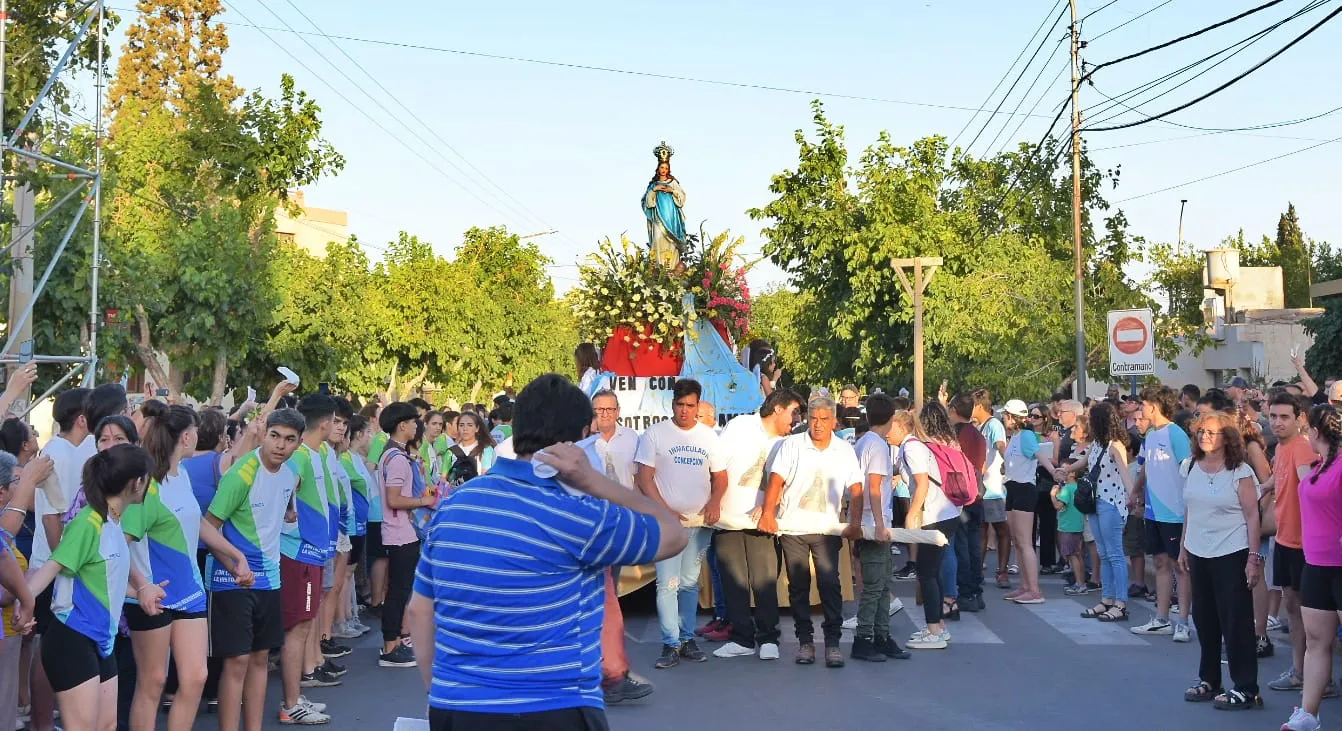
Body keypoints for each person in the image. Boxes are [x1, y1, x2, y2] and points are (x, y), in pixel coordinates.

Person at [404, 373, 686, 729]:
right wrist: (595, 483)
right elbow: (674, 534)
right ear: (581, 438)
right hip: (556, 705)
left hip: (457, 705)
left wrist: (440, 694)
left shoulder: (456, 506)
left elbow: (419, 611)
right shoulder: (581, 516)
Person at [125, 403, 250, 731]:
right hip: (154, 594)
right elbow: (119, 543)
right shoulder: (145, 484)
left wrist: (234, 554)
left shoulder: (181, 476)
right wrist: (140, 585)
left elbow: (196, 525)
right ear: (186, 436)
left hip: (190, 591)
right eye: (195, 431)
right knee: (153, 683)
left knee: (196, 677)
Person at [26, 445, 157, 731]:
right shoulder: (89, 522)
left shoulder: (112, 520)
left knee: (107, 725)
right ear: (137, 483)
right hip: (72, 637)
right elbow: (51, 567)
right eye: (148, 478)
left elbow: (102, 583)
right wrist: (25, 606)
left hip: (101, 639)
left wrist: (142, 592)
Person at [205, 409, 306, 731]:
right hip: (231, 581)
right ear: (264, 434)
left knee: (261, 658)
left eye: (289, 439)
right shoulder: (241, 474)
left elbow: (277, 513)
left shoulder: (290, 475)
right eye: (275, 435)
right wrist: (235, 567)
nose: (280, 445)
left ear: (298, 444)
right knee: (237, 662)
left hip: (269, 578)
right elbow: (207, 529)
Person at [758, 395, 859, 668]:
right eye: (813, 419)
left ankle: (833, 643)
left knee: (829, 584)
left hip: (828, 530)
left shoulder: (844, 450)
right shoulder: (791, 445)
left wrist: (855, 521)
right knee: (798, 586)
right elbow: (776, 481)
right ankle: (805, 642)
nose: (818, 425)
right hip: (793, 529)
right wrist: (768, 513)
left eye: (824, 419)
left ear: (834, 422)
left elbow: (857, 487)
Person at [635, 379, 726, 669]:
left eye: (690, 405)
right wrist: (665, 511)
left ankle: (687, 639)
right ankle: (670, 643)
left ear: (698, 406)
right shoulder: (655, 435)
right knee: (667, 584)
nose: (685, 411)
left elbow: (721, 477)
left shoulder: (709, 437)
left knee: (689, 584)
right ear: (672, 404)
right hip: (667, 526)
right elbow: (643, 478)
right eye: (680, 405)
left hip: (699, 525)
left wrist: (714, 502)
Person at [704, 390, 801, 662]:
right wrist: (714, 502)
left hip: (763, 522)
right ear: (778, 409)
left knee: (765, 581)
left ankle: (769, 638)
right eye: (793, 412)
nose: (795, 420)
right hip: (728, 518)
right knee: (734, 582)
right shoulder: (739, 426)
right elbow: (717, 466)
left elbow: (787, 480)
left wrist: (769, 506)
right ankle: (741, 638)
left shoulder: (788, 442)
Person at [1178, 410, 1262, 710]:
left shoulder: (1240, 471)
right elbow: (1190, 509)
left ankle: (1245, 687)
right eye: (1201, 431)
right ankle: (1210, 679)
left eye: (1211, 432)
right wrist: (1184, 547)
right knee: (1205, 618)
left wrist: (1253, 557)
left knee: (1236, 622)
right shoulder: (1189, 466)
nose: (1204, 437)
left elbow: (1253, 516)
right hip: (1198, 550)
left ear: (1227, 438)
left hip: (1232, 551)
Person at [579, 391, 652, 704]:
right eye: (599, 410)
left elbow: (638, 478)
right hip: (591, 526)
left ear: (618, 411)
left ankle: (603, 664)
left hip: (620, 519)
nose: (604, 415)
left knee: (612, 590)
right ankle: (603, 668)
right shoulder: (581, 446)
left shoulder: (632, 439)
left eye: (609, 409)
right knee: (601, 600)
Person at [30, 387, 93, 731]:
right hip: (53, 566)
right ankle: (42, 722)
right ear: (83, 419)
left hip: (61, 564)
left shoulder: (71, 450)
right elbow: (53, 516)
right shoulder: (56, 453)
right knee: (48, 648)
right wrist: (66, 565)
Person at [278, 395, 341, 720]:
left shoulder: (316, 454)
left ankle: (296, 697)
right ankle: (290, 705)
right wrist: (288, 516)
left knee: (304, 624)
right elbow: (280, 495)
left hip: (314, 553)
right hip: (298, 554)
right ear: (326, 422)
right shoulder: (299, 456)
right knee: (298, 628)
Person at [1280, 405, 1342, 731]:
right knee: (1317, 642)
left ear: (1315, 432)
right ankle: (1308, 714)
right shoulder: (1318, 466)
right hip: (1315, 564)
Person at [1266, 392, 1327, 695]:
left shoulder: (1302, 447)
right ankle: (1300, 671)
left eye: (1284, 417)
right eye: (1273, 416)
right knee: (1293, 609)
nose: (1276, 422)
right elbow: (1277, 482)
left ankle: (1317, 676)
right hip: (1285, 539)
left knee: (1311, 614)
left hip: (1305, 544)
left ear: (1300, 418)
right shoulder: (1281, 447)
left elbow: (1309, 486)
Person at [892, 403, 965, 649]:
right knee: (931, 571)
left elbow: (922, 483)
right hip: (944, 513)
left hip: (936, 515)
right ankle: (938, 627)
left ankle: (934, 629)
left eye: (891, 425)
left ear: (902, 427)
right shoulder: (912, 446)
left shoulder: (911, 448)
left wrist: (912, 514)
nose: (886, 430)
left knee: (926, 572)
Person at [848, 393, 912, 661]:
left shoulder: (865, 443)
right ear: (890, 418)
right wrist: (879, 524)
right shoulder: (876, 446)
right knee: (875, 585)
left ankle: (882, 636)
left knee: (883, 583)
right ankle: (864, 639)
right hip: (874, 524)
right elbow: (873, 487)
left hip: (871, 522)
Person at [1131, 385, 1194, 641]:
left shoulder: (1175, 434)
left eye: (1143, 405)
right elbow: (1145, 467)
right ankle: (1162, 618)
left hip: (1175, 512)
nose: (1140, 409)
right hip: (1154, 513)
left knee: (1181, 566)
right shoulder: (1151, 435)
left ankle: (1183, 622)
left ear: (1154, 405)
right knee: (1160, 563)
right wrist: (1135, 491)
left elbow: (1188, 469)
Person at [1061, 402, 1134, 622]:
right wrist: (1064, 469)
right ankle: (1107, 599)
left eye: (1091, 419)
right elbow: (1084, 462)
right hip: (1095, 503)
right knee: (1103, 553)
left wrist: (1133, 496)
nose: (1088, 422)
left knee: (1115, 554)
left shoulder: (1115, 445)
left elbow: (1123, 471)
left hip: (1111, 503)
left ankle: (1120, 604)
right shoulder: (1097, 445)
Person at [377, 403, 433, 670]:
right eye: (413, 422)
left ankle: (395, 641)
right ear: (402, 425)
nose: (415, 427)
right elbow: (394, 499)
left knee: (399, 590)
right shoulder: (398, 459)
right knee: (398, 592)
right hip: (400, 532)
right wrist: (425, 499)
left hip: (399, 531)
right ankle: (390, 645)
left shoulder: (392, 454)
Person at [1001, 399, 1043, 603]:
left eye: (1005, 415)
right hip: (1012, 487)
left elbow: (1039, 455)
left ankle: (1034, 590)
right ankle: (1025, 586)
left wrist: (1055, 471)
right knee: (1017, 541)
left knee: (1025, 542)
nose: (1003, 418)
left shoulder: (1026, 435)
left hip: (1025, 488)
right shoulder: (1015, 436)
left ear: (1011, 416)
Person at [949, 394, 987, 612]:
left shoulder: (957, 435)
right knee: (973, 543)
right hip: (976, 494)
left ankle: (966, 591)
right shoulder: (977, 434)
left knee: (962, 544)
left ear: (954, 409)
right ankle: (976, 591)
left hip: (961, 495)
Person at [971, 389, 1011, 589]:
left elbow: (1001, 446)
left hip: (993, 485)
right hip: (982, 485)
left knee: (1001, 528)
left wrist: (1008, 462)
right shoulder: (980, 427)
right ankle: (977, 569)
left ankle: (1002, 571)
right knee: (982, 529)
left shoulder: (994, 424)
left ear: (979, 406)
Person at [643, 145, 687, 268]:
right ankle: (658, 267)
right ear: (658, 168)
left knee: (671, 243)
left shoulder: (673, 183)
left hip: (672, 219)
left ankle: (671, 268)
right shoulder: (653, 184)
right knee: (658, 238)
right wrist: (654, 190)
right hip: (658, 218)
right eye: (662, 167)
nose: (664, 170)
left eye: (666, 168)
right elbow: (646, 202)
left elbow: (682, 198)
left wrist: (672, 191)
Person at [447, 411, 495, 483]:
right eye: (461, 425)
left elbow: (485, 477)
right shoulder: (451, 451)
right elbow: (443, 478)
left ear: (477, 428)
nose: (465, 429)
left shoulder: (486, 449)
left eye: (470, 425)